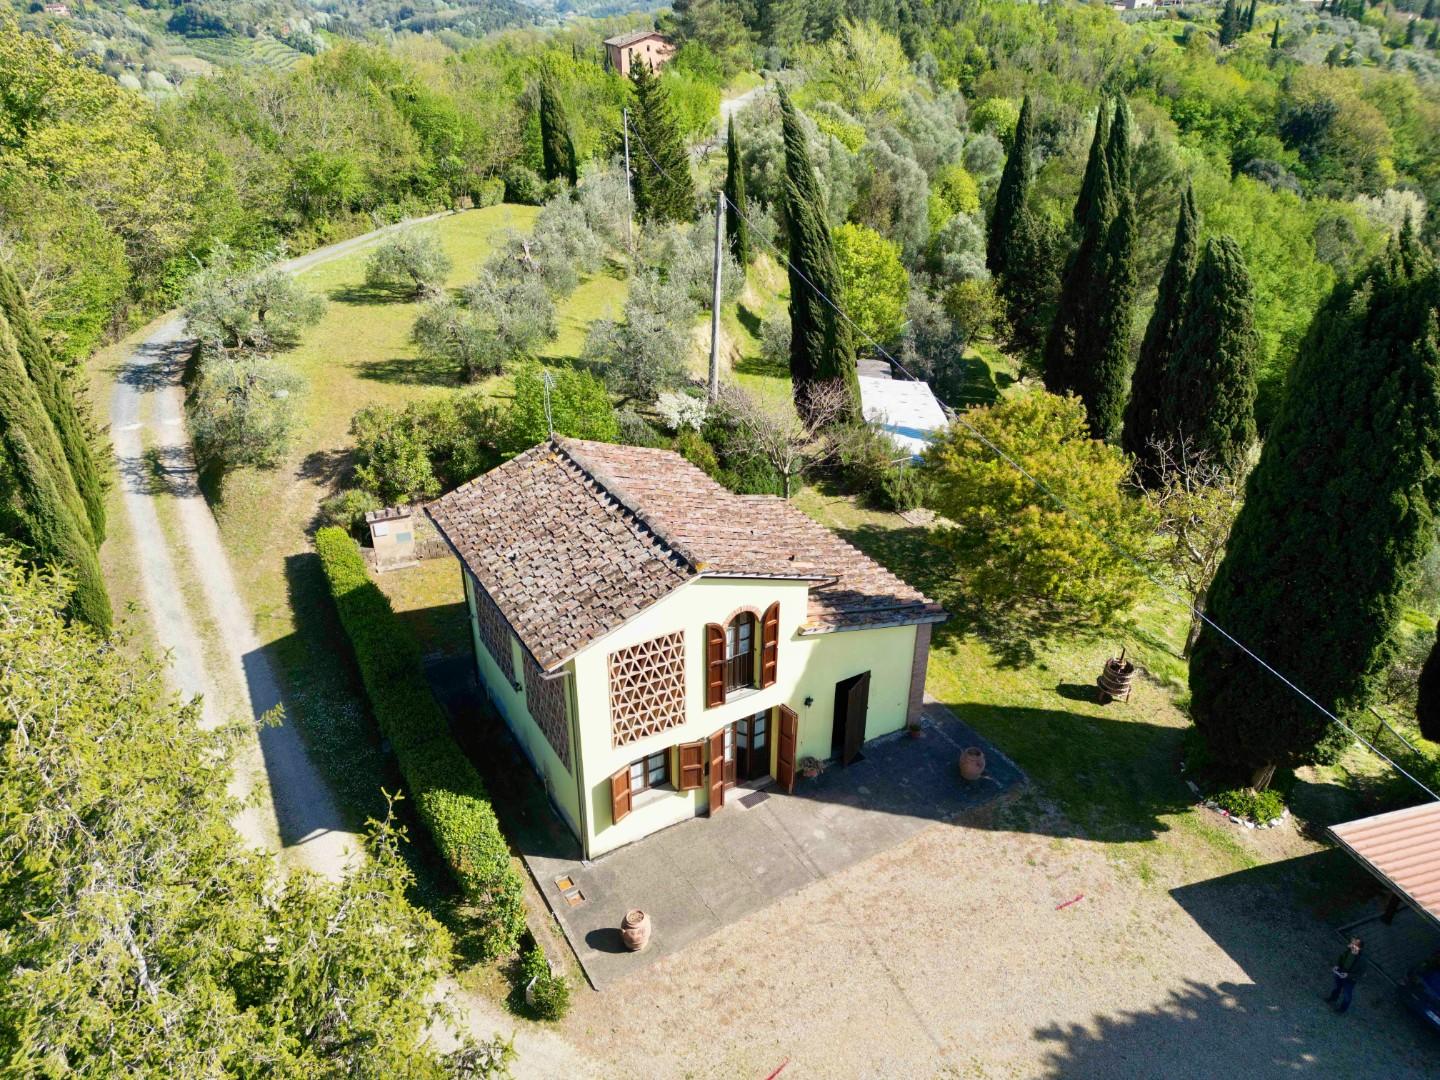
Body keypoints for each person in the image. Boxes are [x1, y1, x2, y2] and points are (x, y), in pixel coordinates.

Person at [1325, 937, 1367, 1013]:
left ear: (1360, 948)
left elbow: (1359, 975)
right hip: (1341, 972)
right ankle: (1333, 998)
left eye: (1355, 945)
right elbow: (1341, 958)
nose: (1352, 946)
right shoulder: (1348, 951)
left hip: (1350, 979)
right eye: (1352, 944)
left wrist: (1348, 975)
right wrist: (1337, 965)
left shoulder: (1362, 961)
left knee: (1347, 994)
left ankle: (1342, 1009)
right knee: (1337, 987)